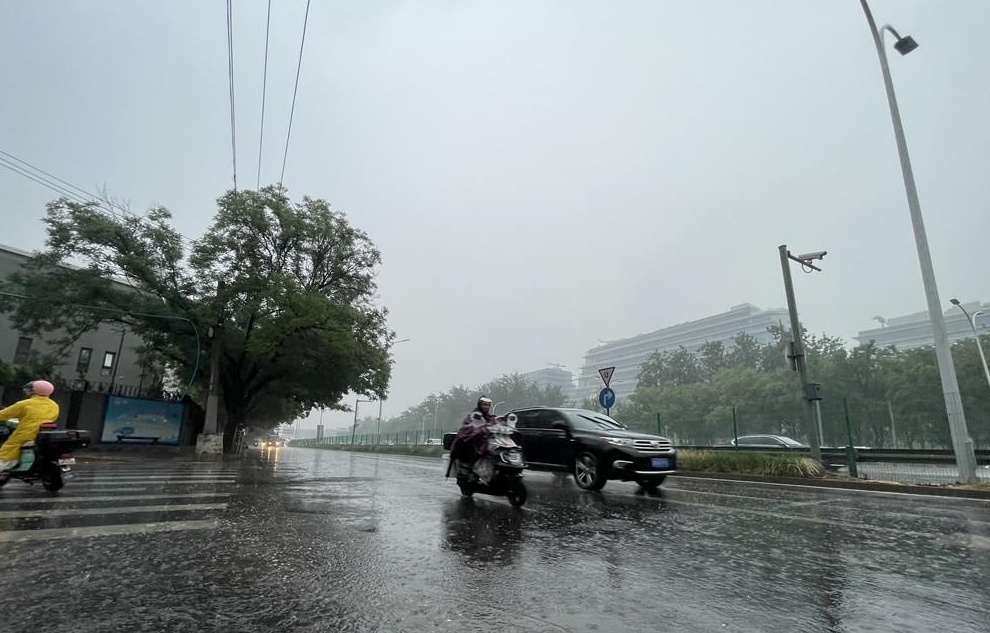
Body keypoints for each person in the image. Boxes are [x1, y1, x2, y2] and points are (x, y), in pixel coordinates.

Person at [0, 380, 60, 479]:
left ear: (33, 390)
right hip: (43, 434)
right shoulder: (54, 405)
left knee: (7, 452)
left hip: (26, 433)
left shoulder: (24, 404)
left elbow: (4, 414)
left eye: (29, 389)